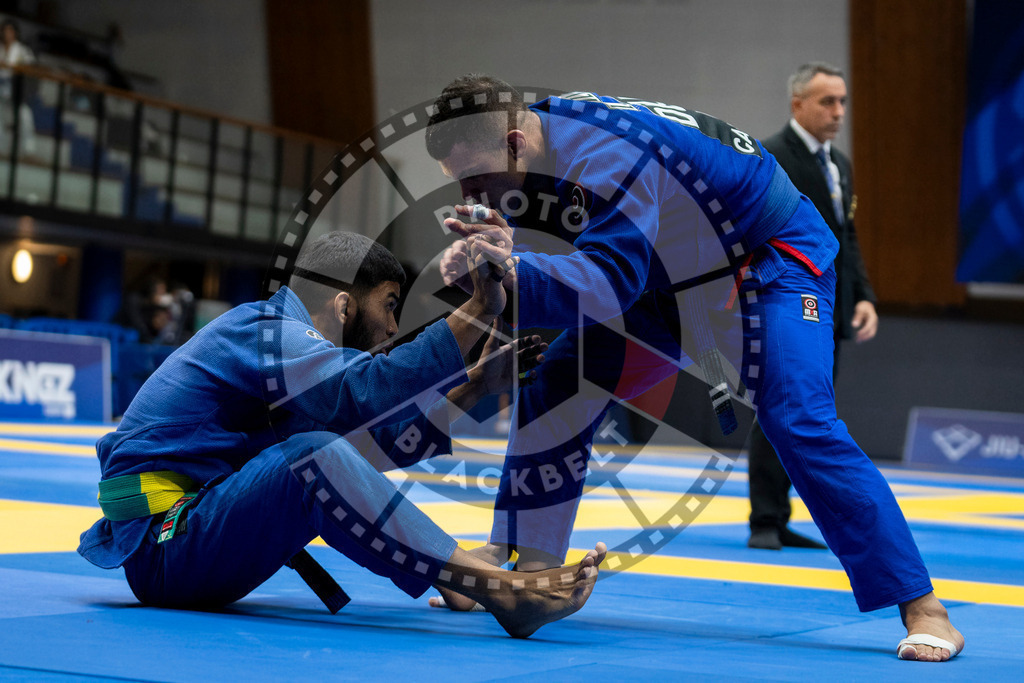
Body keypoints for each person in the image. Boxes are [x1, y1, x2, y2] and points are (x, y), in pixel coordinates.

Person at [426, 74, 962, 661]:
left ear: (514, 142)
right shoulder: (545, 126)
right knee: (559, 383)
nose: (475, 194)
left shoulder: (607, 154)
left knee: (797, 419)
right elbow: (595, 245)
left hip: (770, 261)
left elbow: (607, 282)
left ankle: (923, 606)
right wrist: (503, 247)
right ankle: (518, 569)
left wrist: (514, 269)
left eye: (477, 179)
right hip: (672, 279)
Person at [78, 229, 605, 639]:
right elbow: (363, 394)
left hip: (193, 540)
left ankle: (463, 580)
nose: (392, 328)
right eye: (390, 304)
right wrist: (479, 309)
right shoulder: (261, 332)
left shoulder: (292, 371)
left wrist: (473, 386)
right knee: (314, 457)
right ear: (344, 304)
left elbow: (371, 449)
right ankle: (497, 591)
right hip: (162, 545)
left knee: (324, 455)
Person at [746, 62, 879, 551]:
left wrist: (863, 296)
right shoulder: (770, 156)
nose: (838, 112)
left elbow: (848, 237)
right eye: (827, 101)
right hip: (784, 300)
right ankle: (764, 517)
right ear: (797, 104)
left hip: (833, 303)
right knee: (778, 408)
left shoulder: (838, 164)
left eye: (842, 101)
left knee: (812, 410)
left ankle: (782, 516)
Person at [0, 19, 37, 156]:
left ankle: (29, 150)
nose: (7, 33)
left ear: (15, 33)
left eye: (10, 30)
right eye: (5, 30)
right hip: (0, 87)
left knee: (25, 116)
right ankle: (1, 148)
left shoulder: (21, 49)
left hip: (16, 87)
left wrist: (19, 67)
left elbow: (31, 65)